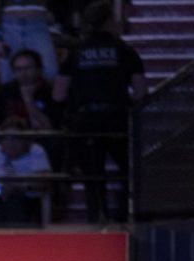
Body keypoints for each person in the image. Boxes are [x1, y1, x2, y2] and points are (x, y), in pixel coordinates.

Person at [52, 0, 146, 223]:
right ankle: (125, 219)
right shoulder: (125, 51)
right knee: (127, 173)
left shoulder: (74, 53)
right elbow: (141, 91)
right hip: (117, 120)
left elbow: (58, 94)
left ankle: (97, 220)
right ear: (108, 22)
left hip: (86, 122)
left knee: (93, 176)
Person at [0, 117, 51, 224]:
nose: (10, 143)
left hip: (26, 197)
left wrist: (19, 186)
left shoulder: (36, 151)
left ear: (25, 140)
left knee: (15, 200)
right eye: (6, 138)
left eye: (15, 138)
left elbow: (45, 181)